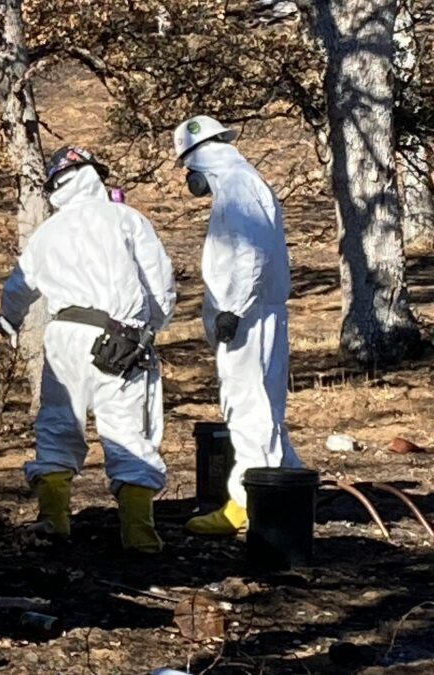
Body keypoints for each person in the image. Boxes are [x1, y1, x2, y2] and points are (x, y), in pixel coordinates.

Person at [0, 146, 176, 553]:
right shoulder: (126, 219)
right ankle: (139, 537)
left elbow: (18, 288)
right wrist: (152, 327)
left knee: (58, 424)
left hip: (63, 338)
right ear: (94, 176)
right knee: (126, 430)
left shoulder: (47, 232)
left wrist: (8, 320)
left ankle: (54, 521)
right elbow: (159, 284)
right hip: (118, 338)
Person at [173, 115, 302, 535]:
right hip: (255, 310)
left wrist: (234, 307)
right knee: (264, 406)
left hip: (248, 314)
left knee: (248, 407)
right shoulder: (240, 181)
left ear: (197, 158)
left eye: (187, 168)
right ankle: (289, 489)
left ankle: (246, 505)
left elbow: (251, 251)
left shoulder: (237, 185)